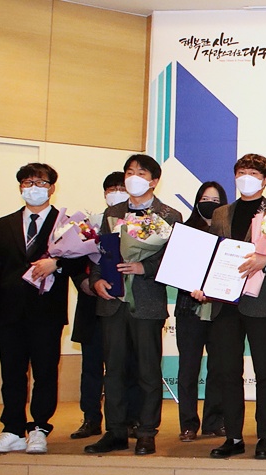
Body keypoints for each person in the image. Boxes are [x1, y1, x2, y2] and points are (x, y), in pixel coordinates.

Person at [199, 153, 266, 460]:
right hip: (225, 303)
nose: (247, 178)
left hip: (262, 303)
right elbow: (211, 254)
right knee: (228, 372)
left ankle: (265, 436)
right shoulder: (221, 213)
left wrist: (265, 260)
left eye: (254, 174)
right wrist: (202, 284)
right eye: (242, 172)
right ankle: (233, 436)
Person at [0, 163, 85, 454]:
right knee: (12, 372)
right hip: (9, 310)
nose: (34, 188)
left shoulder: (66, 224)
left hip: (46, 311)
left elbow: (82, 261)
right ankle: (12, 428)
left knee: (45, 371)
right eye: (28, 182)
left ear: (52, 188)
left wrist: (57, 263)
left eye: (41, 183)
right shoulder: (3, 224)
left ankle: (39, 427)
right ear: (20, 187)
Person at [85, 154, 183, 456]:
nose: (133, 178)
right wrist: (97, 280)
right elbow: (101, 253)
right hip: (112, 302)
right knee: (113, 370)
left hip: (146, 302)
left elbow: (174, 259)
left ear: (154, 181)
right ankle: (115, 431)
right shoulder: (112, 212)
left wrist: (145, 268)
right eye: (129, 172)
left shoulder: (169, 215)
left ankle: (146, 432)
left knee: (147, 371)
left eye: (141, 173)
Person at [69, 172, 141, 440]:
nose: (116, 192)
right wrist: (85, 281)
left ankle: (130, 418)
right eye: (111, 188)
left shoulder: (138, 225)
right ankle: (90, 418)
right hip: (92, 304)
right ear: (104, 194)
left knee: (128, 365)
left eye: (121, 187)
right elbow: (73, 259)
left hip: (124, 304)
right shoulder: (88, 226)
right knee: (91, 365)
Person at [173, 181, 228, 442]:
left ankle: (213, 421)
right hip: (189, 309)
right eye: (205, 199)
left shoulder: (228, 233)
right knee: (188, 369)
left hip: (218, 311)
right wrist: (191, 286)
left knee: (218, 368)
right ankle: (188, 424)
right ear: (196, 202)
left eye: (216, 201)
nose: (210, 205)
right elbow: (174, 269)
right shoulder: (184, 232)